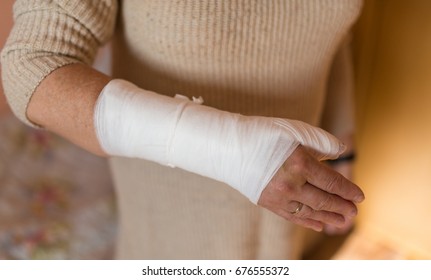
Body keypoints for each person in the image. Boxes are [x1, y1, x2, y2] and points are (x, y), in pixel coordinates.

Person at [1, 0, 365, 259]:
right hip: (174, 229)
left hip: (298, 214)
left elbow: (334, 34)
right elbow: (32, 66)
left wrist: (342, 143)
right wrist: (233, 152)